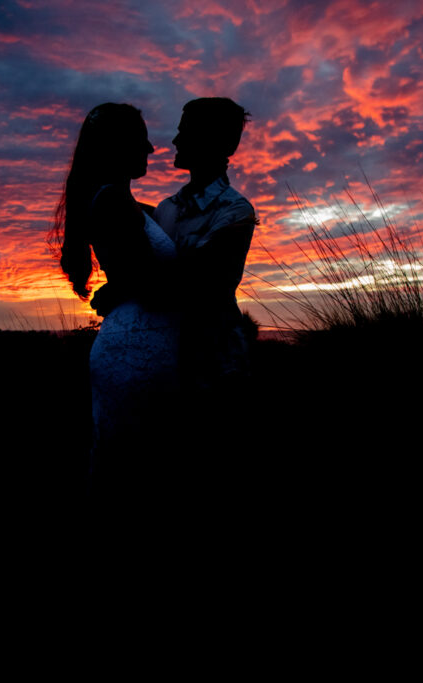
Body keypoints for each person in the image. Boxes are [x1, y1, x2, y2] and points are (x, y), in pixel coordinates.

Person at [52, 102, 180, 505]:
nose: (151, 148)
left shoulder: (125, 204)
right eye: (141, 139)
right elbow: (152, 285)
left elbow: (137, 273)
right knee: (133, 473)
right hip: (137, 348)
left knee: (132, 467)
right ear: (117, 146)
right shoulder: (111, 202)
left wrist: (121, 287)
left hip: (139, 339)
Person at [152, 98, 257, 476]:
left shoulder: (235, 211)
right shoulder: (165, 208)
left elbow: (202, 281)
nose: (176, 139)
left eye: (186, 131)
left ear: (214, 142)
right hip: (167, 359)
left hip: (216, 364)